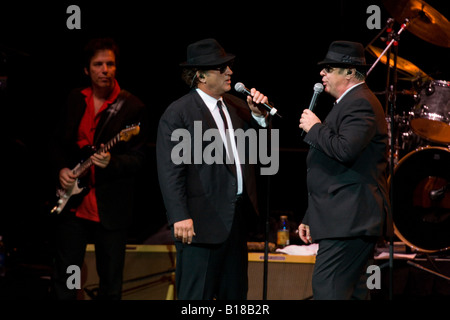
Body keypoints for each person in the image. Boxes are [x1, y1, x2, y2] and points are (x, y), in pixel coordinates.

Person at [156, 38, 270, 300]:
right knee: (198, 297)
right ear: (201, 76)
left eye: (229, 66)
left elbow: (264, 153)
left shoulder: (238, 107)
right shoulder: (179, 113)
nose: (229, 72)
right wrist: (179, 215)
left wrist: (260, 118)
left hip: (235, 219)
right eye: (221, 68)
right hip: (199, 223)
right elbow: (170, 170)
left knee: (235, 295)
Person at [50, 38, 150, 300]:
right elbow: (57, 143)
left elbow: (139, 159)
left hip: (111, 207)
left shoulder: (131, 106)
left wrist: (112, 162)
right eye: (98, 64)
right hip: (73, 202)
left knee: (110, 280)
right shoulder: (75, 99)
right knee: (66, 275)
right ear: (87, 70)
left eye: (110, 64)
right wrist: (61, 169)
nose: (105, 69)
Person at [298, 41, 391, 300]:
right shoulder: (347, 103)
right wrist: (310, 215)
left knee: (328, 291)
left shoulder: (360, 103)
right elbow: (334, 168)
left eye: (329, 69)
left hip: (350, 221)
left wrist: (315, 128)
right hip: (343, 218)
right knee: (354, 294)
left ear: (349, 72)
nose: (322, 74)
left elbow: (345, 150)